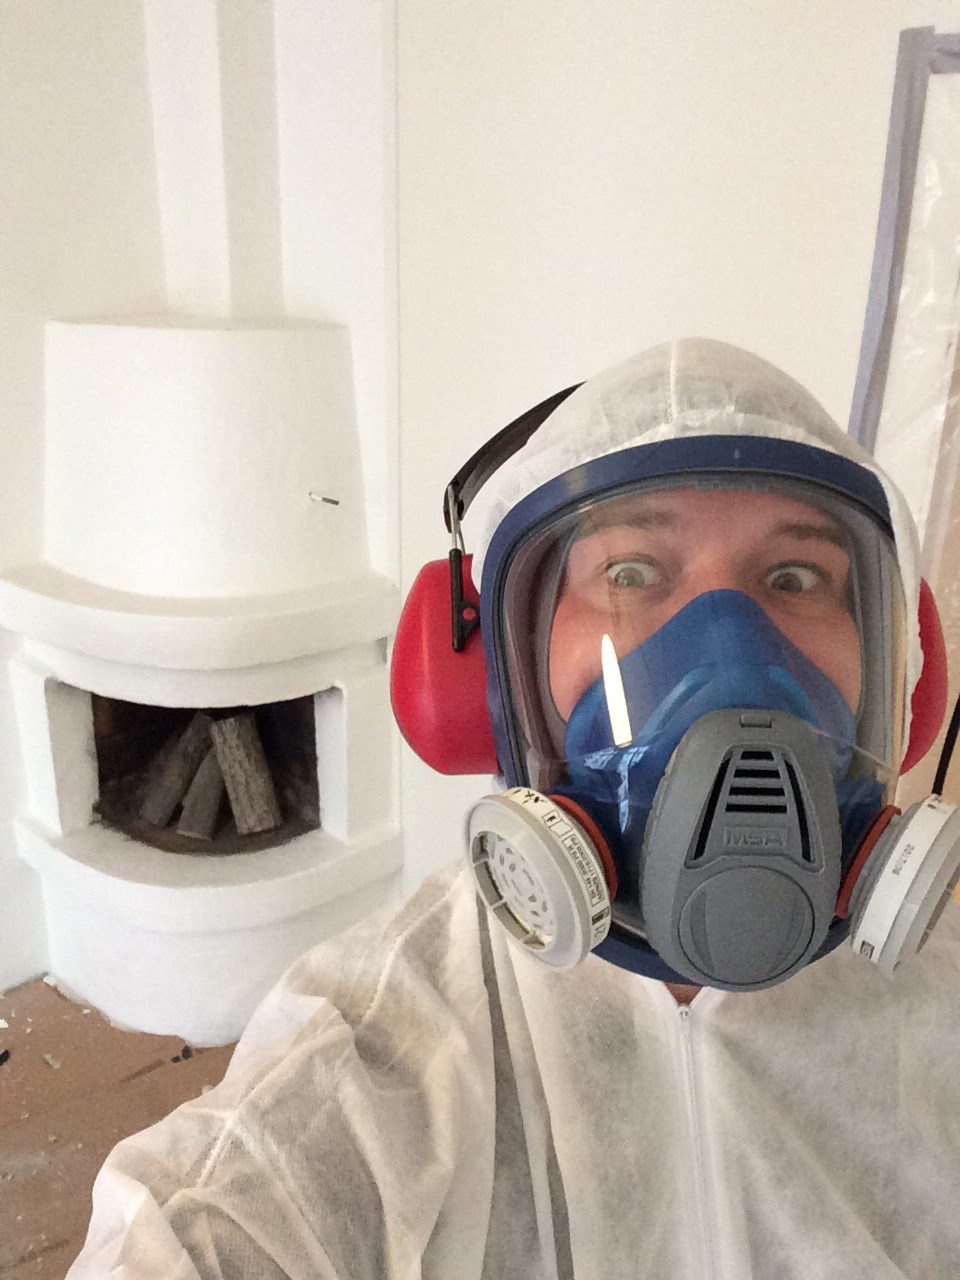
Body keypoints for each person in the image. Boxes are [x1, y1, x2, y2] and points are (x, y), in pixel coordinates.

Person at [67, 339, 960, 1279]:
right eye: (630, 574)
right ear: (490, 681)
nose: (730, 652)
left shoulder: (941, 995)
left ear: (903, 674)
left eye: (796, 578)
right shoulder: (389, 1043)